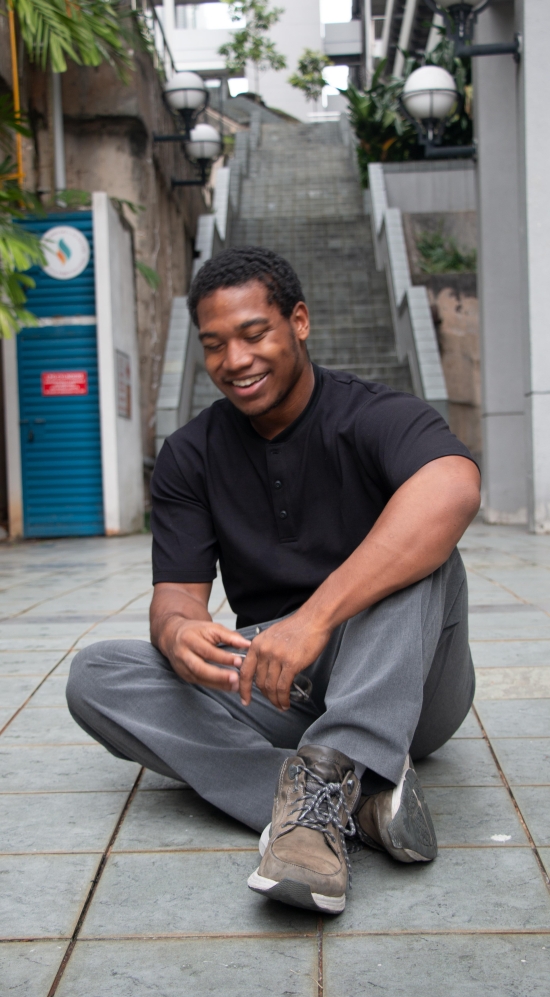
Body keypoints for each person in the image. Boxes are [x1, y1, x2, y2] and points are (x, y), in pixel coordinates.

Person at [67, 246, 480, 915]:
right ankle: (348, 800)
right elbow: (175, 597)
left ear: (299, 322)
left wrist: (313, 618)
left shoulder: (373, 414)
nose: (235, 361)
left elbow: (455, 486)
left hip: (412, 684)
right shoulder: (189, 454)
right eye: (214, 345)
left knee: (422, 551)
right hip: (280, 682)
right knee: (96, 676)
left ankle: (335, 776)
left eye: (254, 333)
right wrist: (177, 635)